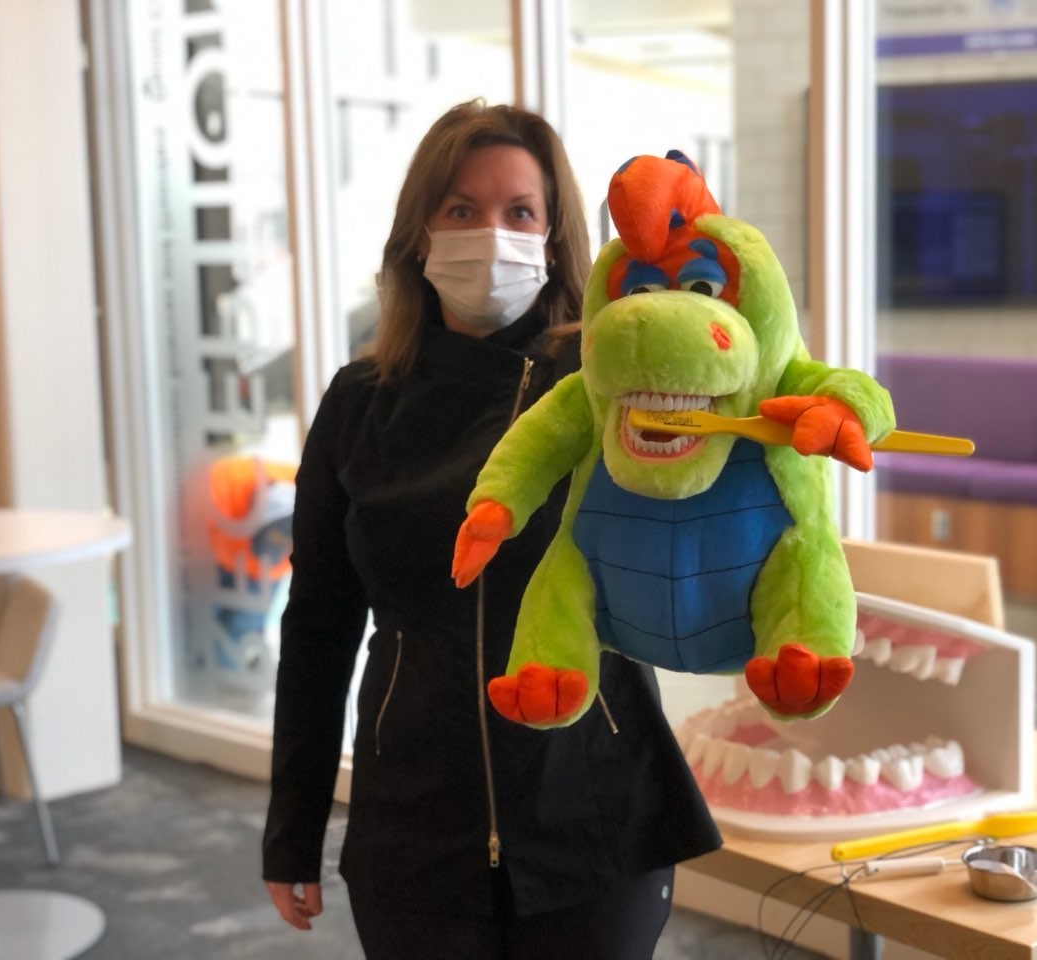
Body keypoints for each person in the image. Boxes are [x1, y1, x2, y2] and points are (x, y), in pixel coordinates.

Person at [261, 100, 722, 959]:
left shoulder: (606, 387)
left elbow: (702, 518)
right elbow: (319, 624)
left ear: (552, 239)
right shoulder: (358, 405)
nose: (491, 233)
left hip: (593, 810)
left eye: (520, 212)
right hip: (414, 821)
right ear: (419, 235)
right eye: (462, 210)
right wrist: (292, 828)